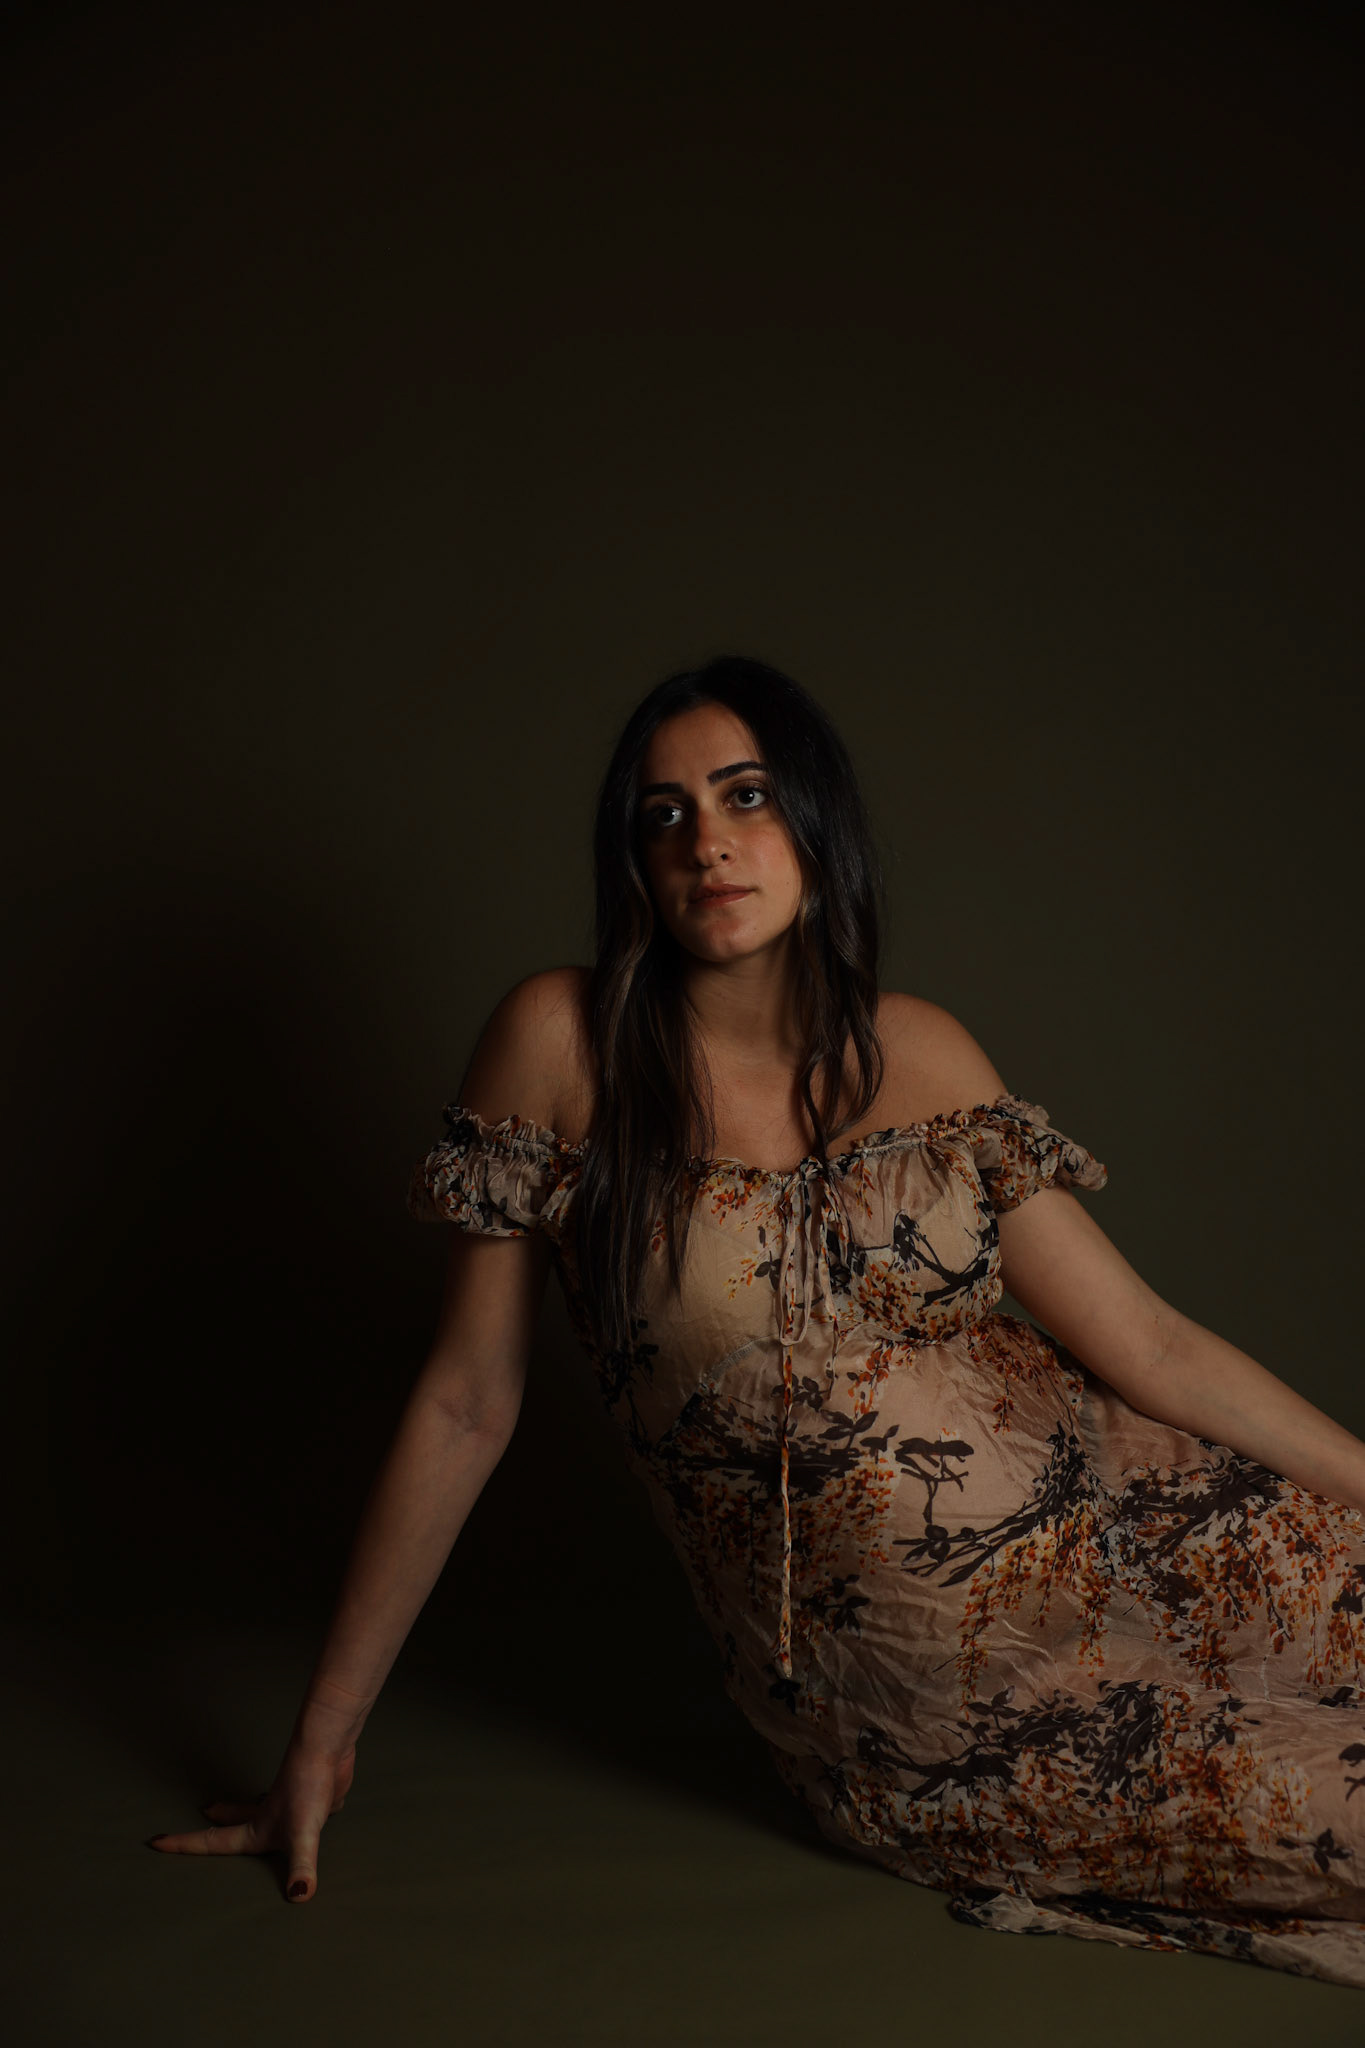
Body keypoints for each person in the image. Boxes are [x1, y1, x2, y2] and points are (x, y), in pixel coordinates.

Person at [150, 656, 1365, 1986]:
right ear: (633, 860)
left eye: (746, 795)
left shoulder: (920, 1052)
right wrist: (322, 1741)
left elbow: (1147, 1345)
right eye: (662, 814)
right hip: (943, 1714)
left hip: (1160, 1537)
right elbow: (465, 1404)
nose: (707, 842)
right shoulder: (560, 1047)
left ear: (815, 822)